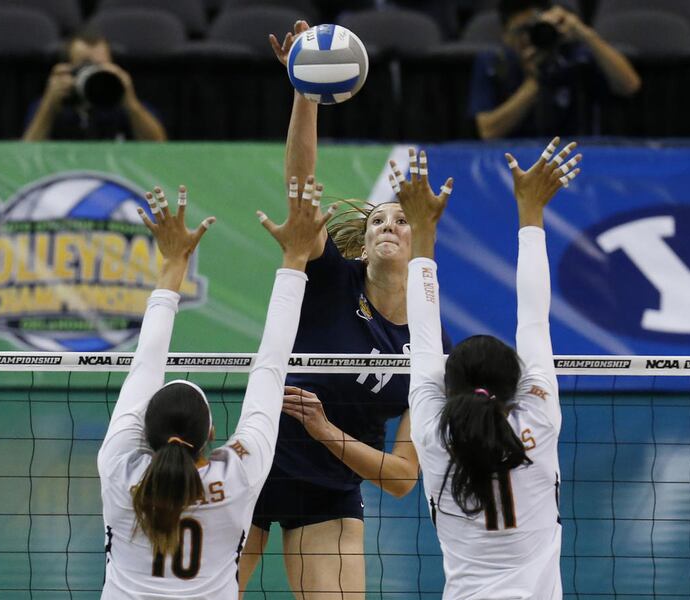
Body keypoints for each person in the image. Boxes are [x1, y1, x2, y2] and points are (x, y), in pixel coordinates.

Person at [238, 20, 451, 600]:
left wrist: (324, 430)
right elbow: (301, 189)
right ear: (364, 242)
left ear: (420, 240)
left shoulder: (432, 343)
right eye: (378, 219)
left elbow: (403, 478)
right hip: (259, 460)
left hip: (331, 488)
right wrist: (305, 95)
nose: (388, 225)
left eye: (401, 220)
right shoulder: (332, 278)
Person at [97, 180, 333, 598]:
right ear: (210, 433)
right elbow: (271, 366)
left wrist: (172, 264)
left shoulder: (119, 467)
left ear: (144, 431)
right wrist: (296, 259)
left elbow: (145, 365)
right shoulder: (237, 474)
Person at [396, 137, 580, 598]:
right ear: (515, 384)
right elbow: (534, 321)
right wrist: (531, 210)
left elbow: (423, 336)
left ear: (448, 385)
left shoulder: (432, 434)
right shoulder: (539, 419)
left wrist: (422, 231)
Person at [470, 0, 641, 139]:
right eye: (521, 31)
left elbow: (630, 86)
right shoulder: (494, 63)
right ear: (505, 35)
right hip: (515, 162)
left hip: (575, 157)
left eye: (534, 29)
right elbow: (488, 131)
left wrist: (584, 33)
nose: (529, 38)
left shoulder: (574, 56)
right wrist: (536, 80)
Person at [23, 32, 166, 141]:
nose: (92, 72)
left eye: (100, 66)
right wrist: (49, 104)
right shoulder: (51, 104)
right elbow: (25, 153)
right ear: (67, 68)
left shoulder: (122, 103)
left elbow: (159, 146)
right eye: (84, 65)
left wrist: (130, 101)